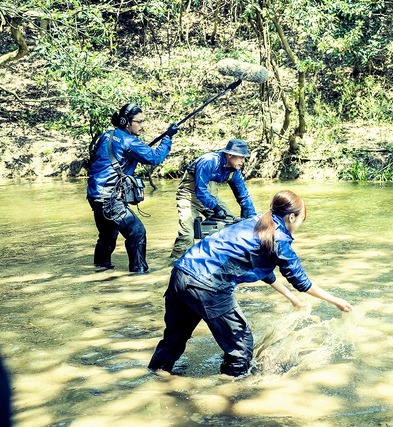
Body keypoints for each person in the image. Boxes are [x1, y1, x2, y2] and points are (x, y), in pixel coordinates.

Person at [149, 190, 352, 377]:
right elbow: (301, 281)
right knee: (241, 348)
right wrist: (336, 301)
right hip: (208, 285)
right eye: (301, 220)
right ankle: (231, 397)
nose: (299, 225)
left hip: (181, 275)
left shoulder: (256, 222)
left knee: (174, 338)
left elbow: (261, 269)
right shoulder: (279, 238)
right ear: (291, 217)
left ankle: (156, 377)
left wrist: (291, 298)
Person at [87, 103, 178, 273]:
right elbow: (155, 157)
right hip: (109, 198)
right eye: (139, 122)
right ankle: (139, 275)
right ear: (126, 122)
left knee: (107, 237)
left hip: (94, 196)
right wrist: (168, 138)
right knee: (137, 232)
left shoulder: (106, 135)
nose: (142, 126)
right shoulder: (129, 141)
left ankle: (101, 273)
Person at [168, 139, 256, 262]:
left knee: (230, 226)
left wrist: (251, 218)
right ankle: (174, 265)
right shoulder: (209, 161)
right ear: (230, 155)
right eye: (241, 157)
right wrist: (216, 208)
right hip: (189, 196)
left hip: (210, 198)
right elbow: (200, 190)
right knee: (187, 235)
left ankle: (217, 259)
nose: (243, 161)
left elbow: (243, 196)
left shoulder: (234, 171)